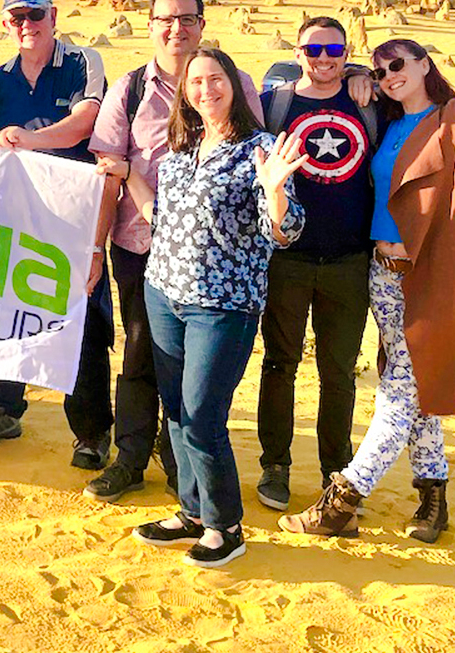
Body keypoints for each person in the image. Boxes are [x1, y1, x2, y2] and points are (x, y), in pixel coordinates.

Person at [280, 0, 455, 544]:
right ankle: (434, 501)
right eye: (379, 71)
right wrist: (356, 75)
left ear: (426, 64)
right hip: (382, 274)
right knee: (413, 382)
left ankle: (344, 499)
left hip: (431, 273)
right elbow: (314, 75)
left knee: (399, 389)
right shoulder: (379, 118)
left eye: (398, 64)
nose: (388, 76)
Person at [81, 0, 263, 502]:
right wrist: (95, 247)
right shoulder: (130, 88)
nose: (175, 28)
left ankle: (182, 464)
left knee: (192, 373)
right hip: (142, 250)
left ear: (202, 25)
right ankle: (130, 458)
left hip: (213, 260)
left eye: (186, 18)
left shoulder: (233, 83)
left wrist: (358, 76)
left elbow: (257, 149)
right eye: (165, 19)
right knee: (141, 356)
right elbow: (110, 171)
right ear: (151, 25)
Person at [131, 48, 306, 569]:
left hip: (224, 305)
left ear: (233, 84)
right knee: (178, 413)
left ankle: (225, 525)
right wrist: (124, 177)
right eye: (196, 81)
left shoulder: (261, 149)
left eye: (216, 79)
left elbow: (285, 230)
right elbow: (162, 218)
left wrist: (275, 190)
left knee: (204, 416)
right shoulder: (180, 149)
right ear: (185, 91)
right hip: (163, 293)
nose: (206, 89)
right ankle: (191, 511)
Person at [0, 0, 115, 469]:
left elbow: (86, 122)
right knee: (9, 309)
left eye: (35, 15)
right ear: (5, 24)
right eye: (16, 18)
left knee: (83, 317)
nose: (26, 26)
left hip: (73, 214)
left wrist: (30, 140)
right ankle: (4, 408)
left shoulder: (81, 62)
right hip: (19, 211)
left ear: (53, 15)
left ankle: (91, 431)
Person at [253, 16, 381, 512]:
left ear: (347, 53)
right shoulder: (274, 104)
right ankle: (275, 465)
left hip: (349, 259)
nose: (324, 59)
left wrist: (364, 74)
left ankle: (337, 470)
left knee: (339, 371)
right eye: (313, 49)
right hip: (288, 257)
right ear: (298, 51)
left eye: (334, 50)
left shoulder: (366, 102)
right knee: (279, 364)